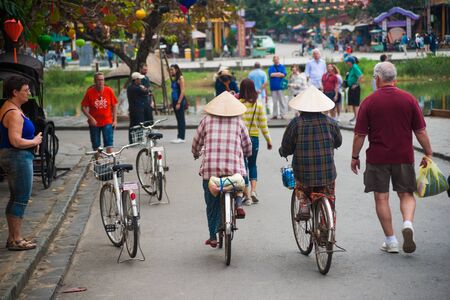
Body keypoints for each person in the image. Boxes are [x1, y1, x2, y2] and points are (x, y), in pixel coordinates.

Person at [351, 62, 433, 254]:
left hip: (378, 157)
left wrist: (354, 157)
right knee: (406, 194)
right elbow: (420, 131)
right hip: (403, 155)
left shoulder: (369, 102)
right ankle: (407, 223)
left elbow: (359, 135)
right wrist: (428, 152)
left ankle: (391, 241)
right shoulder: (409, 99)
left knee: (381, 198)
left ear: (378, 78)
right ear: (394, 79)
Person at [192, 92, 252, 248]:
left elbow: (196, 143)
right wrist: (246, 153)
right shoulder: (239, 122)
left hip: (210, 171)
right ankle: (238, 204)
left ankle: (212, 236)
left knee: (211, 205)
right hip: (234, 170)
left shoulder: (206, 120)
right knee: (240, 179)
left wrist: (196, 153)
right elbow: (248, 146)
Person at [279, 86, 342, 221]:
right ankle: (327, 227)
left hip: (304, 173)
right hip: (327, 172)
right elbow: (338, 142)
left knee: (301, 186)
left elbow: (287, 147)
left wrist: (283, 152)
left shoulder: (296, 124)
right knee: (329, 199)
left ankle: (303, 204)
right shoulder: (331, 123)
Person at [0, 76, 43, 251]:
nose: (29, 93)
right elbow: (16, 141)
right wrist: (34, 141)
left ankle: (13, 237)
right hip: (17, 157)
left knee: (16, 198)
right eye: (26, 90)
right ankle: (16, 239)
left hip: (15, 156)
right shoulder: (14, 113)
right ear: (15, 92)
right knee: (21, 199)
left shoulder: (11, 108)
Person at [239, 79, 272, 205]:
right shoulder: (258, 105)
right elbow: (263, 125)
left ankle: (246, 196)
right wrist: (268, 141)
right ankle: (253, 191)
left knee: (243, 167)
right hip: (254, 138)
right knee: (253, 165)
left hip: (240, 138)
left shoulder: (238, 104)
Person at [81, 72, 118, 153]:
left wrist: (115, 120)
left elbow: (114, 105)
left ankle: (109, 162)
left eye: (102, 80)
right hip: (94, 123)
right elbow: (83, 107)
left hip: (107, 121)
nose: (101, 82)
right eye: (98, 80)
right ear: (95, 81)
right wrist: (90, 118)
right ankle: (98, 163)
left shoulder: (109, 90)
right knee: (96, 146)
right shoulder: (89, 92)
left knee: (109, 144)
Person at [127, 72, 153, 143]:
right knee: (140, 125)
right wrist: (145, 89)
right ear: (136, 80)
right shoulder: (136, 88)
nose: (140, 81)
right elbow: (147, 91)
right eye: (139, 79)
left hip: (132, 109)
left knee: (132, 125)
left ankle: (132, 140)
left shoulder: (130, 87)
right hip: (138, 110)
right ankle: (139, 139)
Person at [169, 64, 186, 144]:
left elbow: (182, 91)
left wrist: (179, 102)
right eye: (170, 70)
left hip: (180, 101)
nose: (171, 71)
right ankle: (179, 136)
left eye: (172, 69)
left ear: (176, 69)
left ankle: (181, 137)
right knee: (178, 119)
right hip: (175, 101)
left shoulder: (180, 78)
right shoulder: (175, 79)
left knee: (181, 119)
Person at [345, 56, 363, 125]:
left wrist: (356, 84)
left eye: (347, 62)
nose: (346, 63)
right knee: (352, 103)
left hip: (355, 88)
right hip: (351, 88)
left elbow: (360, 75)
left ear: (350, 62)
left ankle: (357, 120)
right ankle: (355, 117)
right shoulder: (351, 68)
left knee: (356, 104)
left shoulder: (355, 67)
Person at [268, 55, 287, 119]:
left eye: (277, 59)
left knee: (282, 101)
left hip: (280, 87)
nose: (276, 61)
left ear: (278, 60)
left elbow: (284, 74)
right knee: (274, 102)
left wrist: (275, 74)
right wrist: (279, 73)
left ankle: (282, 114)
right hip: (273, 87)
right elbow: (271, 74)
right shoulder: (271, 68)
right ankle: (275, 114)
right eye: (274, 60)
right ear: (273, 61)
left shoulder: (282, 67)